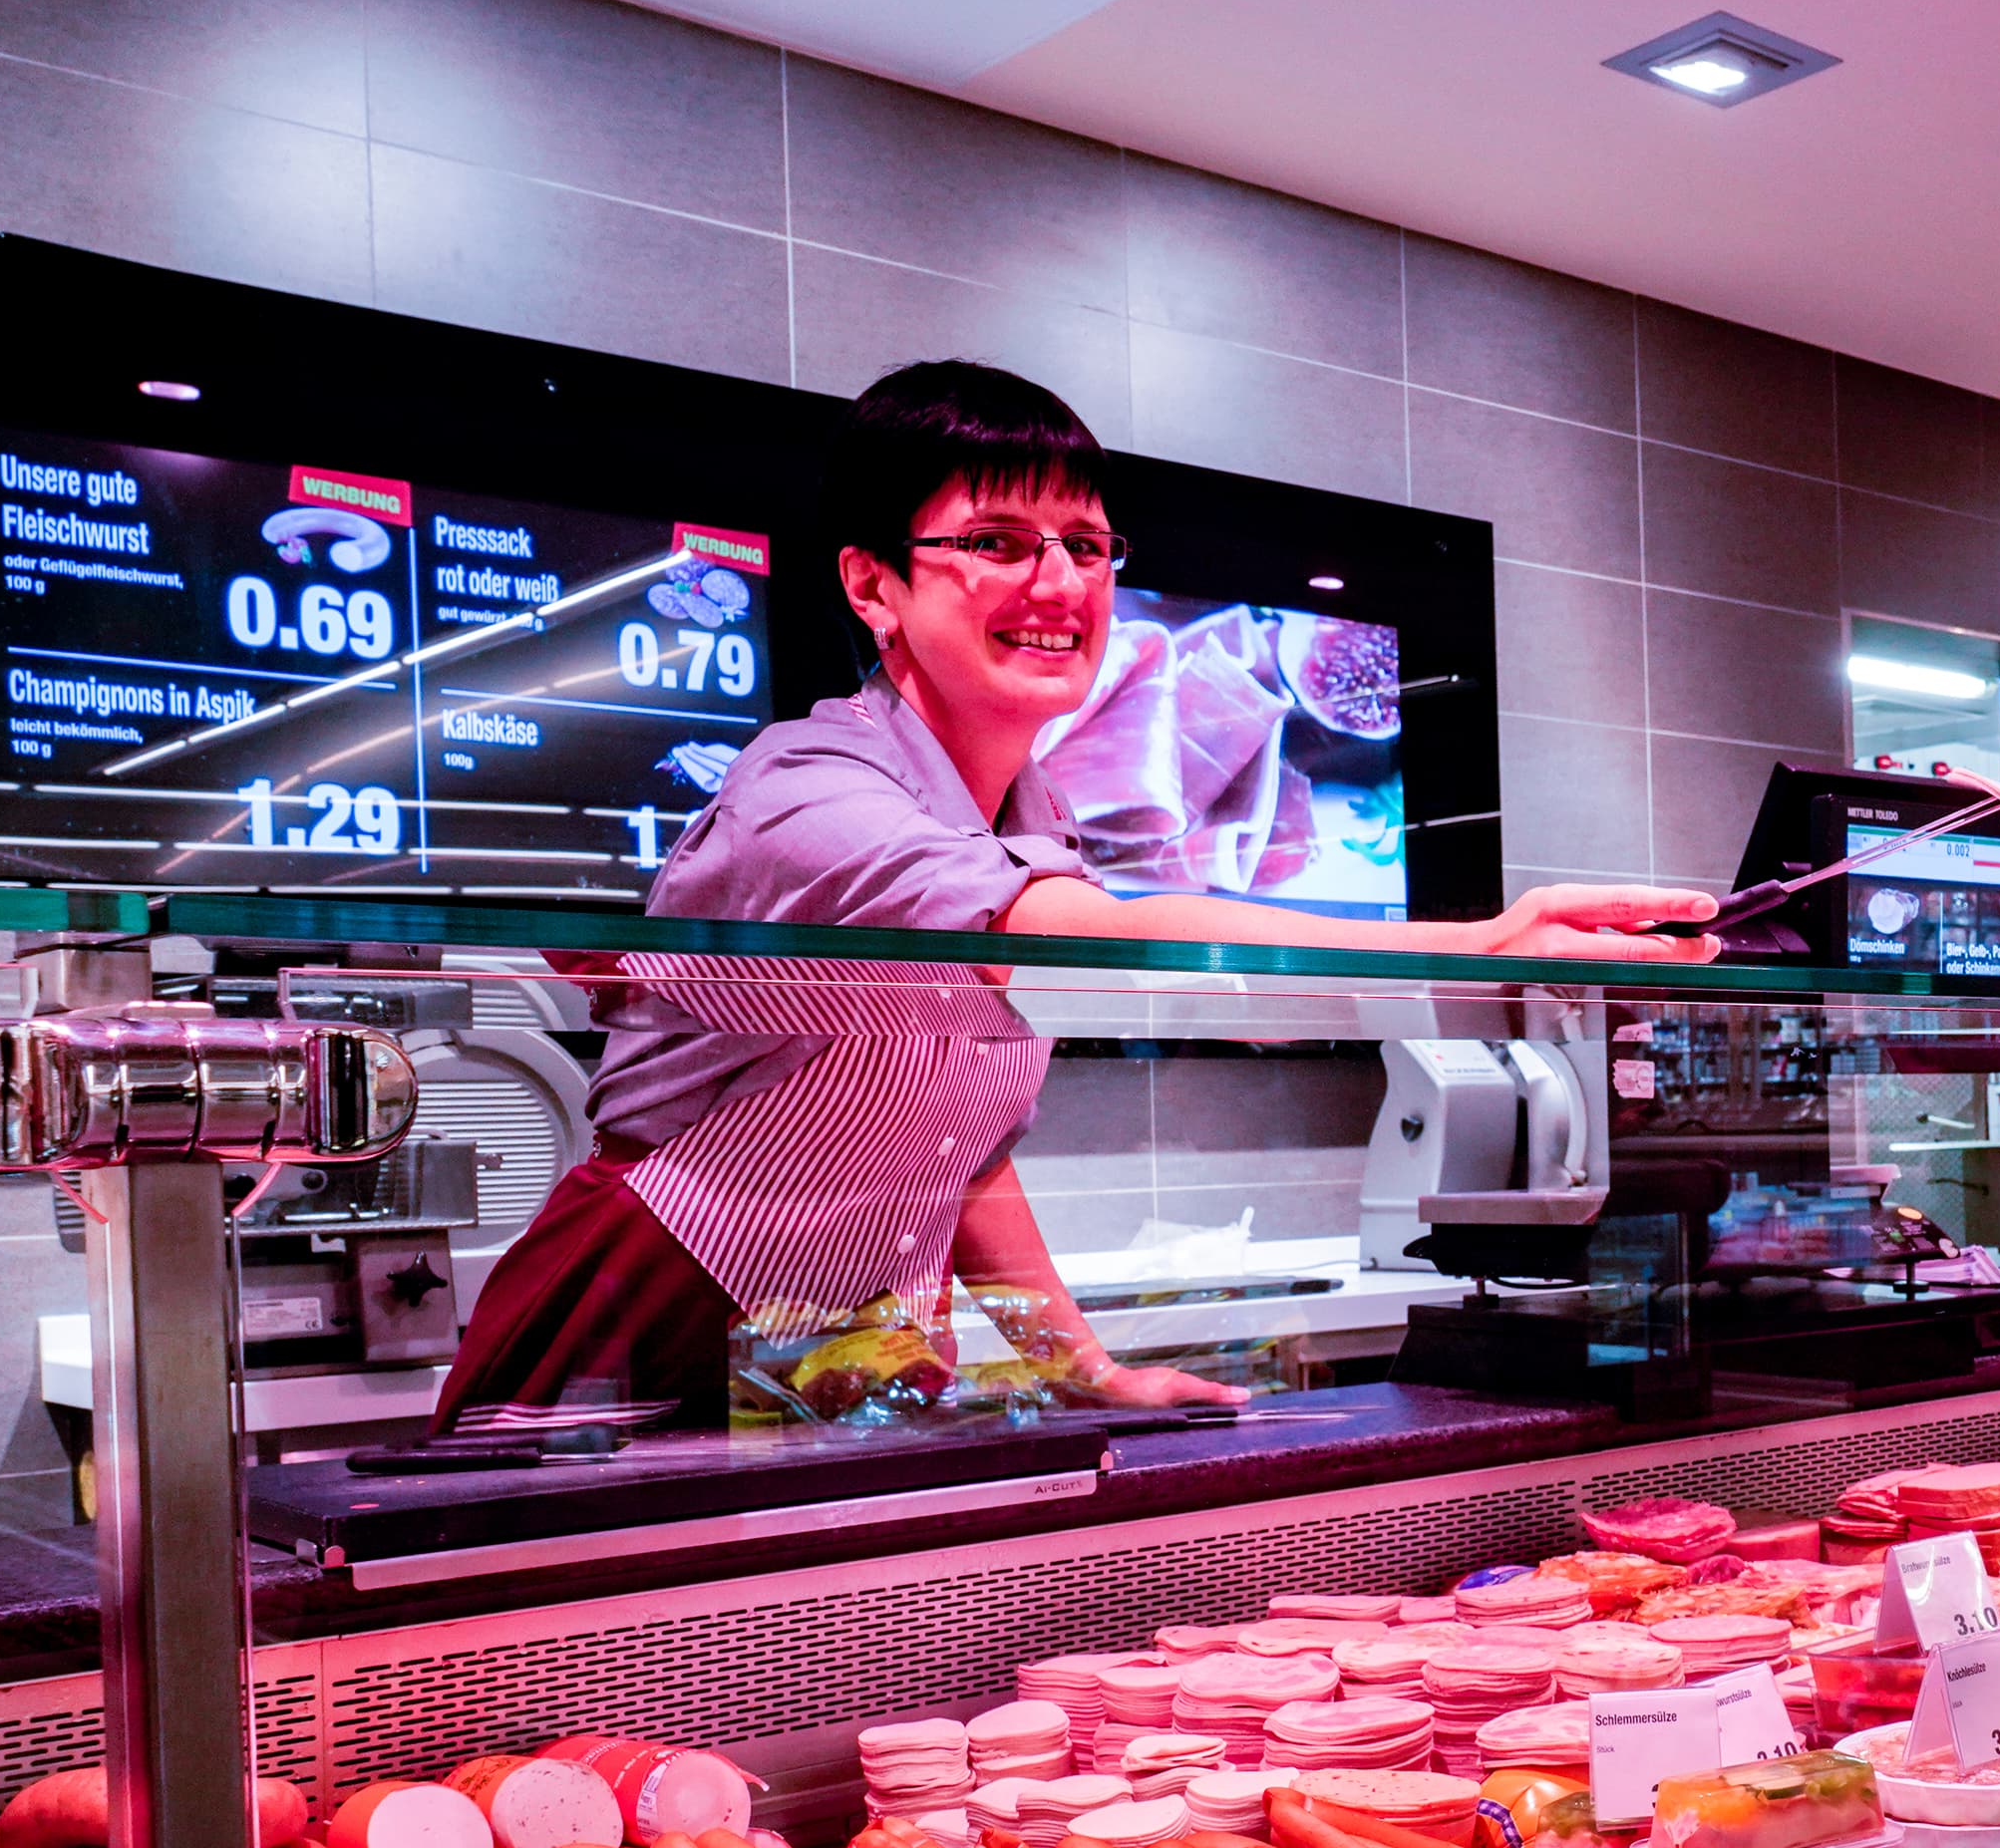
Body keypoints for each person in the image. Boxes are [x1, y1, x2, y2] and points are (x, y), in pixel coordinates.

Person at [437, 361, 1712, 1435]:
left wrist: (1079, 1369)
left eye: (1087, 547)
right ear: (873, 584)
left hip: (856, 1348)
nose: (1060, 585)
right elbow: (1069, 926)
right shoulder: (805, 785)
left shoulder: (1030, 813)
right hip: (653, 1308)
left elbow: (956, 1159)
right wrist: (1482, 939)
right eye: (996, 544)